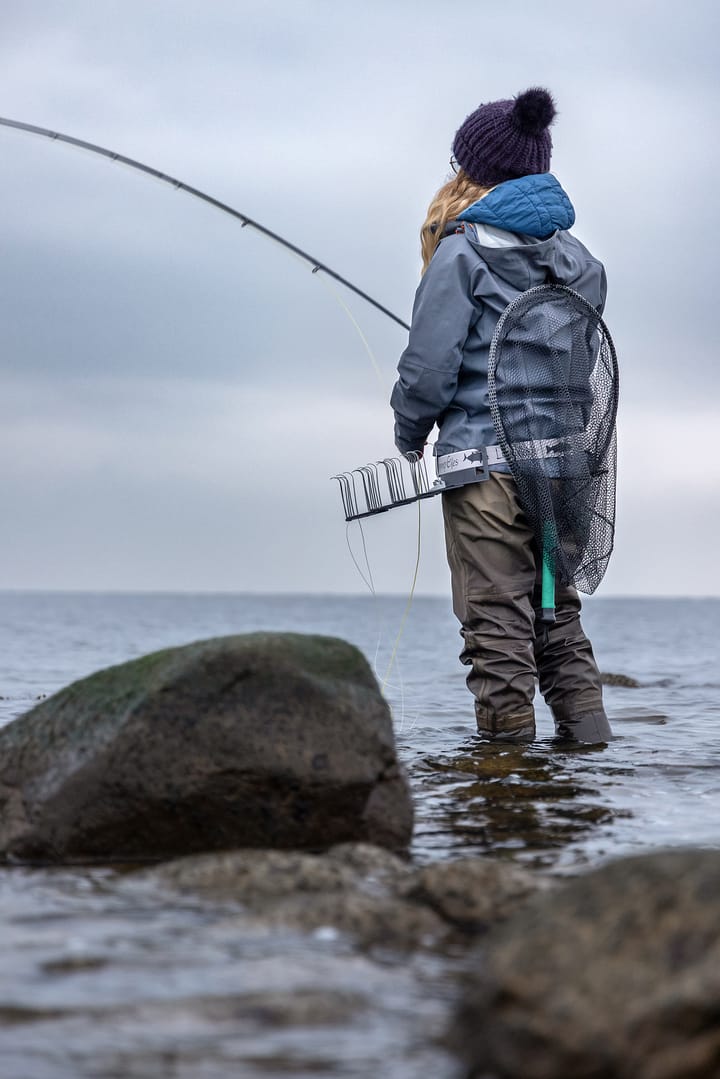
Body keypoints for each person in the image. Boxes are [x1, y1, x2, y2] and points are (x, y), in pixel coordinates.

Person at [390, 87, 612, 745]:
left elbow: (429, 371)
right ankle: (589, 771)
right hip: (564, 480)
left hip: (486, 478)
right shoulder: (585, 266)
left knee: (496, 625)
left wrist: (409, 433)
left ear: (475, 170)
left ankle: (505, 789)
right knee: (556, 617)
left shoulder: (460, 252)